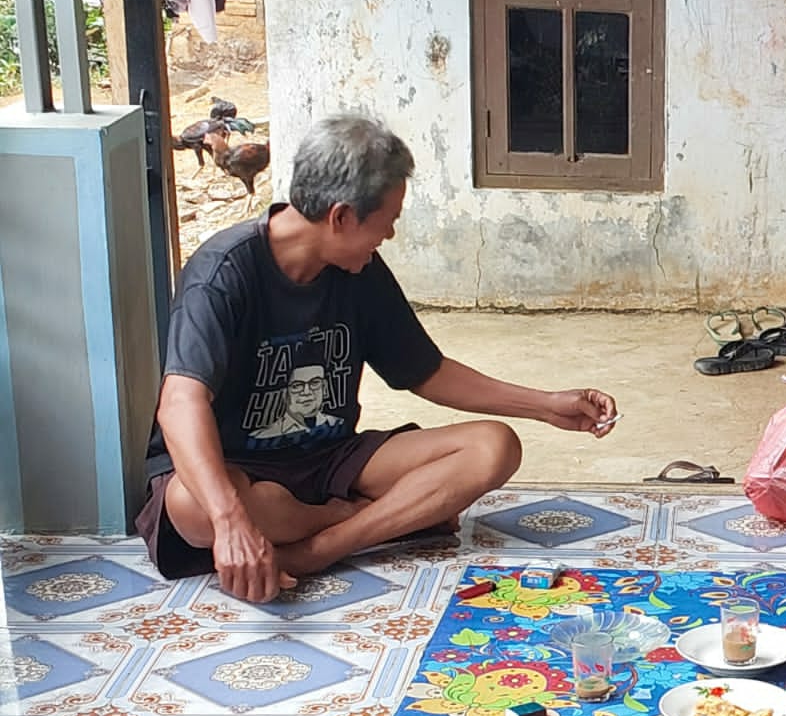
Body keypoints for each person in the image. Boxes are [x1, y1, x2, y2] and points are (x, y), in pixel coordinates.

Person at [137, 114, 618, 603]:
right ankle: (355, 518)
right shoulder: (223, 271)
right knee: (192, 506)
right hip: (235, 467)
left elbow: (426, 372)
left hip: (329, 459)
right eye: (387, 221)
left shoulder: (359, 271)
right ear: (342, 217)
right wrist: (231, 519)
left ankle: (319, 548)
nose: (387, 235)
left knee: (493, 446)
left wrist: (544, 405)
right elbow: (179, 405)